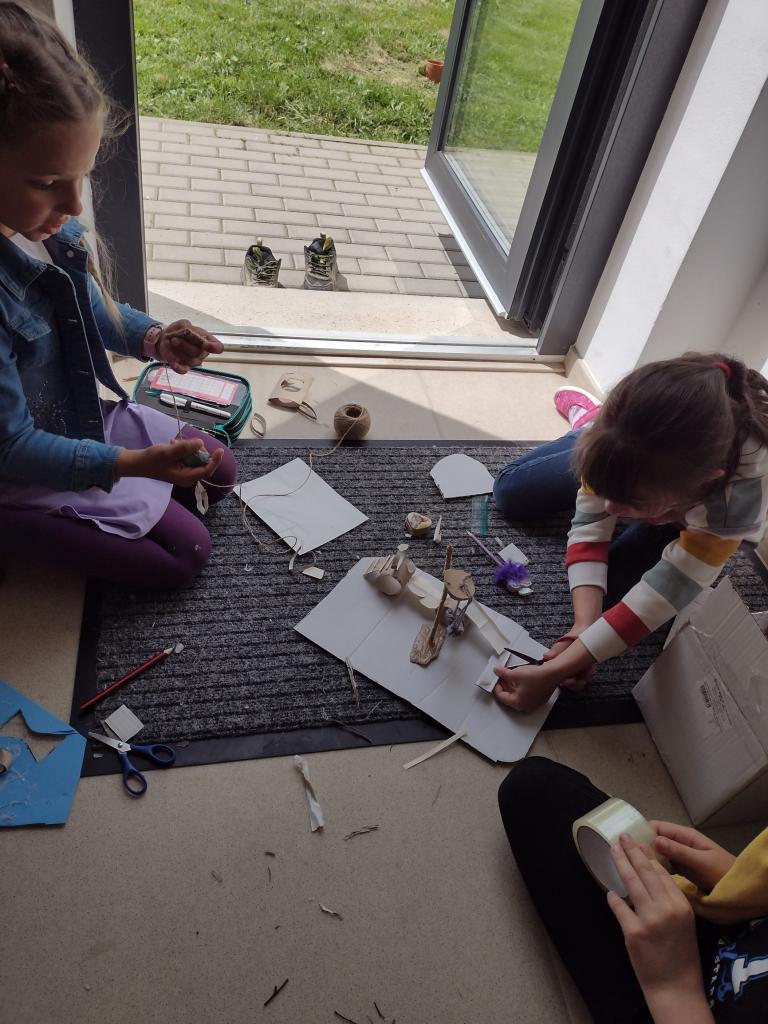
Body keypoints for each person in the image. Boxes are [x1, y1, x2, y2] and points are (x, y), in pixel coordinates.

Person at [0, 2, 237, 589]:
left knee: (219, 472)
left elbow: (82, 309)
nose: (75, 205)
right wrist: (131, 466)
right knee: (183, 555)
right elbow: (14, 447)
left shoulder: (41, 229)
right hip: (18, 460)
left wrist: (153, 338)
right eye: (48, 183)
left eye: (81, 176)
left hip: (69, 413)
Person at [491, 354, 768, 712]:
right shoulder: (623, 437)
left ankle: (658, 511)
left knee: (617, 598)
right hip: (632, 456)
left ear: (701, 486)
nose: (609, 509)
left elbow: (660, 596)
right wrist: (582, 627)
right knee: (510, 492)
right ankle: (588, 425)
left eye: (632, 501)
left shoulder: (733, 508)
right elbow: (589, 523)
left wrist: (555, 671)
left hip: (688, 507)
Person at [499, 757, 768, 1023]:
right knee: (533, 785)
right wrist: (736, 882)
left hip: (682, 1005)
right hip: (735, 924)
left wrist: (672, 987)